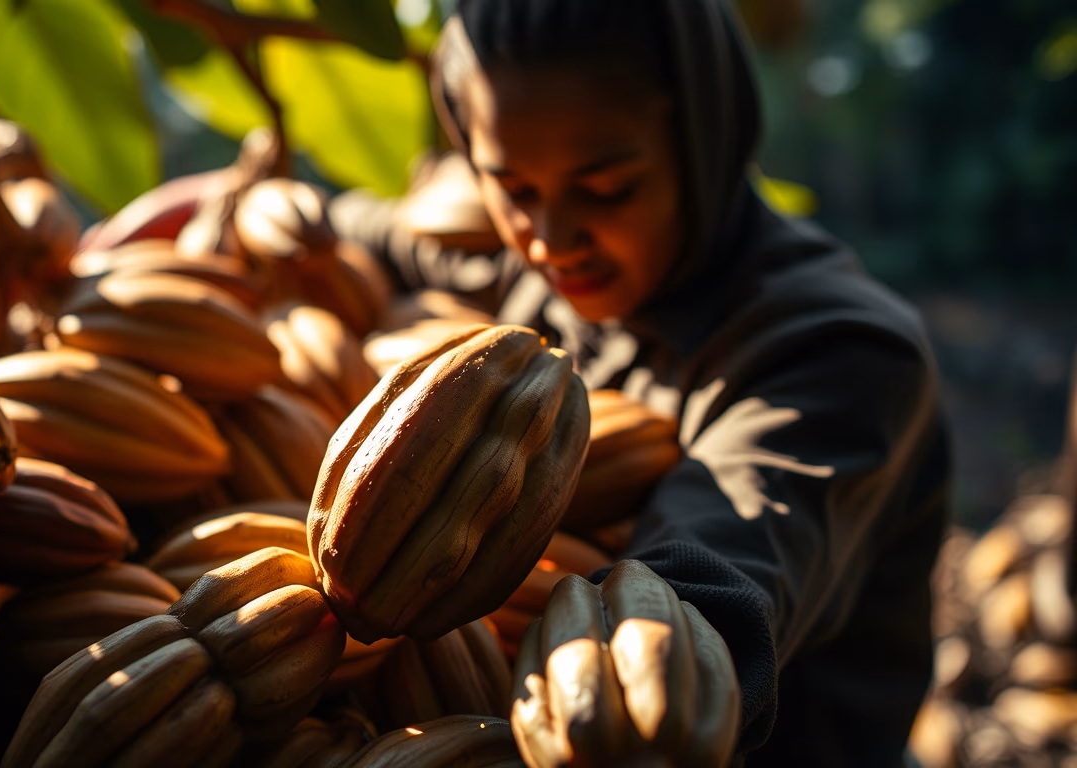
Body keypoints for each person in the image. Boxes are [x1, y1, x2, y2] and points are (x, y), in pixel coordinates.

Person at [329, 0, 951, 765]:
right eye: (513, 188)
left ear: (703, 141)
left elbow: (721, 565)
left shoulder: (839, 352)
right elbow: (369, 229)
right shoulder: (530, 278)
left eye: (608, 188)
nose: (550, 240)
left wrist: (638, 670)